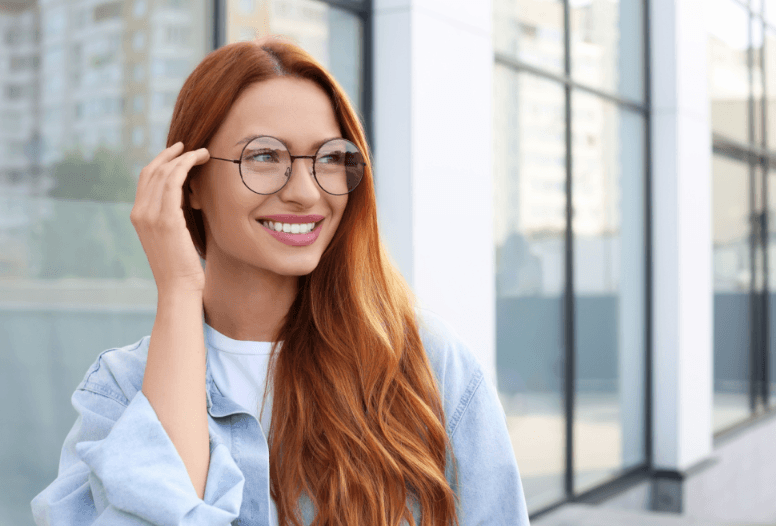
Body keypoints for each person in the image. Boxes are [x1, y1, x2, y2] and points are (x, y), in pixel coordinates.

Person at [30, 37, 529, 526]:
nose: (306, 192)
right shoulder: (121, 389)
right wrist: (179, 289)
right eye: (265, 156)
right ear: (191, 181)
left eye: (331, 157)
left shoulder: (427, 365)